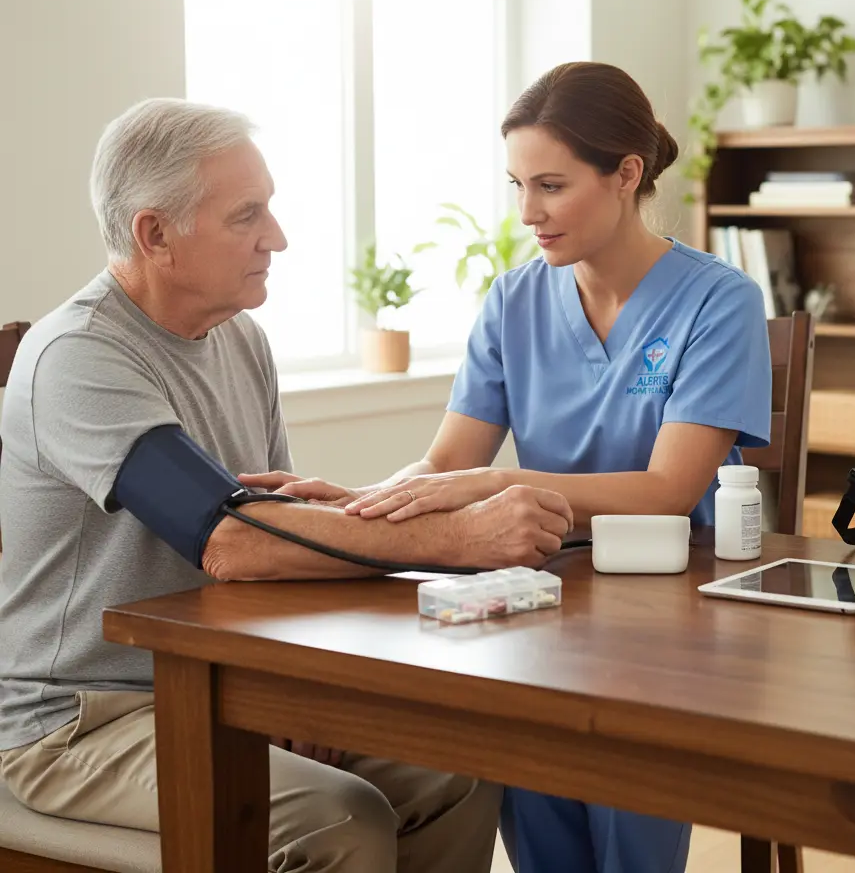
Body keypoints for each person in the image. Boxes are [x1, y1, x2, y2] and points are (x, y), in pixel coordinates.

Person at [0, 98, 575, 873]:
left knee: (456, 769)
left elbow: (286, 536)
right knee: (338, 820)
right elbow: (234, 541)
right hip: (77, 722)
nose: (278, 238)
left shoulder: (241, 339)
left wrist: (295, 689)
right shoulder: (78, 355)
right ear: (155, 234)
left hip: (210, 686)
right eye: (248, 216)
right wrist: (459, 539)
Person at [243, 61, 773, 873]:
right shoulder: (514, 299)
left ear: (626, 174)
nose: (528, 213)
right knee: (534, 815)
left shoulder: (718, 301)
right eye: (518, 185)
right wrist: (353, 501)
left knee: (628, 839)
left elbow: (670, 490)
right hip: (539, 602)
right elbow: (450, 461)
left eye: (552, 186)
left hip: (670, 620)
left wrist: (504, 484)